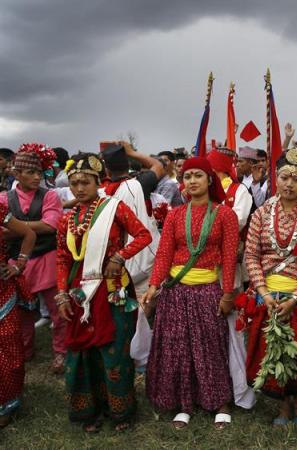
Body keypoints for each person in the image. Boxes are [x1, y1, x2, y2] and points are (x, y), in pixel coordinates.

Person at [55, 154, 152, 432]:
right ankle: (89, 410)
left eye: (85, 182)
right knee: (83, 351)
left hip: (112, 290)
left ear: (98, 182)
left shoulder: (115, 208)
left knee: (114, 351)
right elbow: (62, 258)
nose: (79, 188)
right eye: (74, 183)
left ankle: (120, 411)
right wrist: (61, 293)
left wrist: (119, 257)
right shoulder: (67, 219)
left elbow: (144, 235)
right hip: (80, 293)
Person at [142, 157, 239, 430]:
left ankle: (220, 402)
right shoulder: (174, 214)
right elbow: (164, 254)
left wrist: (228, 294)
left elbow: (230, 258)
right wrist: (153, 284)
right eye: (187, 176)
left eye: (198, 175)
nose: (192, 181)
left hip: (208, 290)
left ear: (210, 179)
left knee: (211, 346)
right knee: (179, 347)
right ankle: (184, 404)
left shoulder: (224, 214)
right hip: (176, 292)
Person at [243, 147, 297, 426]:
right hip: (266, 293)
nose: (289, 184)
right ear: (276, 179)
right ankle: (282, 406)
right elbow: (251, 257)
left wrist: (293, 297)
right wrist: (265, 294)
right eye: (284, 177)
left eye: (296, 179)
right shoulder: (260, 215)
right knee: (268, 348)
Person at [0, 143, 65, 372]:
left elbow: (51, 225)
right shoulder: (4, 198)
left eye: (40, 172)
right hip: (17, 263)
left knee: (58, 310)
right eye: (31, 172)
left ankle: (61, 353)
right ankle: (25, 350)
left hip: (47, 258)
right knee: (22, 311)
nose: (37, 177)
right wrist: (30, 228)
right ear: (17, 174)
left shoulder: (50, 196)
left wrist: (16, 228)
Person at [207, 144, 256, 410]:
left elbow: (234, 223)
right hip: (201, 270)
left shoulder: (240, 192)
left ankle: (236, 385)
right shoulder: (200, 191)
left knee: (231, 327)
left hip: (229, 267)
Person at [101, 142, 163, 299]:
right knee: (147, 306)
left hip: (116, 262)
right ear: (128, 164)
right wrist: (132, 152)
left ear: (107, 170)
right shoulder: (139, 184)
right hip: (147, 257)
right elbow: (157, 165)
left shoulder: (100, 193)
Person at [0, 205, 36, 428]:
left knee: (8, 346)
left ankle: (7, 404)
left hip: (2, 291)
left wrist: (19, 263)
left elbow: (28, 234)